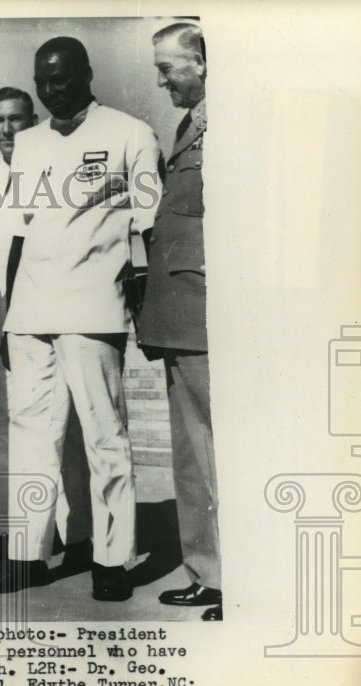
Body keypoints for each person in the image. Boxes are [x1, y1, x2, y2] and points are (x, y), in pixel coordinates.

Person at [0, 37, 161, 599]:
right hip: (31, 311)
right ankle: (28, 555)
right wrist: (9, 316)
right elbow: (20, 233)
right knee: (33, 438)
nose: (50, 89)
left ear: (88, 74)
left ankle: (112, 562)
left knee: (104, 437)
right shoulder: (29, 143)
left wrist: (144, 310)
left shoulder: (130, 133)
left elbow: (148, 229)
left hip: (93, 307)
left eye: (60, 78)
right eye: (41, 80)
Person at [0, 87, 93, 571]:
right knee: (1, 426)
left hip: (49, 304)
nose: (7, 130)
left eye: (17, 119)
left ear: (34, 119)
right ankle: (10, 532)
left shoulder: (54, 169)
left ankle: (79, 531)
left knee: (68, 426)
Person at [139, 23, 221, 621]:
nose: (161, 79)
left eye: (169, 67)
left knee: (218, 450)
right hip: (178, 317)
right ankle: (210, 574)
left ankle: (241, 579)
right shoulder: (190, 126)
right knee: (190, 455)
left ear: (202, 62)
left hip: (208, 315)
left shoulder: (226, 128)